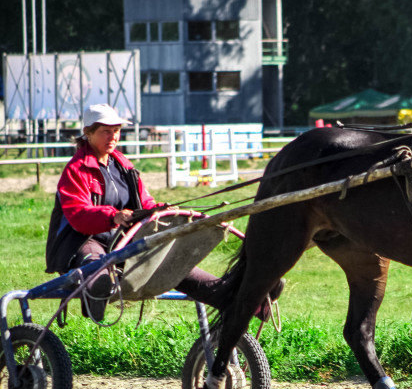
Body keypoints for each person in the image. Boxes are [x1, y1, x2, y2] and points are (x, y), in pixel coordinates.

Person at [45, 103, 282, 320]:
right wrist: (113, 216)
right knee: (98, 270)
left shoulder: (123, 165)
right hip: (86, 241)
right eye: (106, 131)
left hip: (125, 240)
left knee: (175, 266)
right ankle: (96, 297)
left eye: (116, 130)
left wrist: (161, 209)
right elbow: (78, 215)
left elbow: (144, 200)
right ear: (88, 132)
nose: (113, 137)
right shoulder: (76, 171)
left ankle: (249, 301)